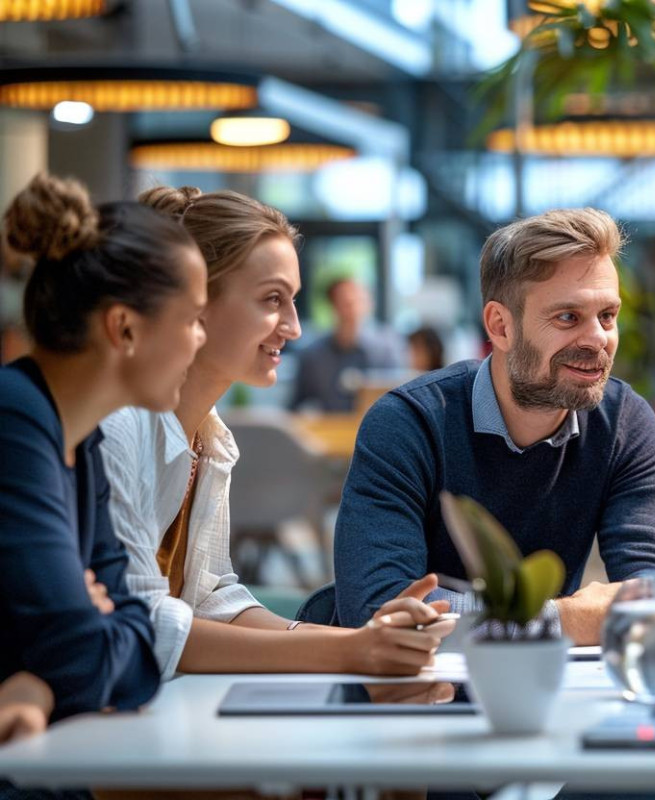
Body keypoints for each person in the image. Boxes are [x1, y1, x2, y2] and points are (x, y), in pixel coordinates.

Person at [96, 185, 454, 681]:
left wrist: (361, 640)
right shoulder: (119, 428)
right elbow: (144, 625)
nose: (294, 327)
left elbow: (213, 596)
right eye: (272, 300)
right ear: (195, 299)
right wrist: (347, 654)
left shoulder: (211, 438)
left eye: (293, 302)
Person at [334, 208, 655, 644]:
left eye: (608, 316)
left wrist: (523, 621)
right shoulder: (409, 424)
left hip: (546, 690)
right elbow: (378, 614)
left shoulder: (624, 423)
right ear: (501, 326)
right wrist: (567, 619)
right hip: (405, 695)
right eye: (567, 318)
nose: (598, 338)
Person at [0, 172, 202, 730]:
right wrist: (80, 637)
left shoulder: (78, 437)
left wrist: (43, 673)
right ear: (124, 328)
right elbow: (83, 658)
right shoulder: (16, 421)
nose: (200, 338)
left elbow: (139, 653)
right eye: (190, 320)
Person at [288, 276, 403, 412]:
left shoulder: (388, 349)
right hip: (329, 430)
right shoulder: (312, 355)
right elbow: (297, 405)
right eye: (345, 303)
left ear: (369, 304)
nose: (352, 309)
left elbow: (399, 398)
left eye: (358, 301)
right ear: (332, 305)